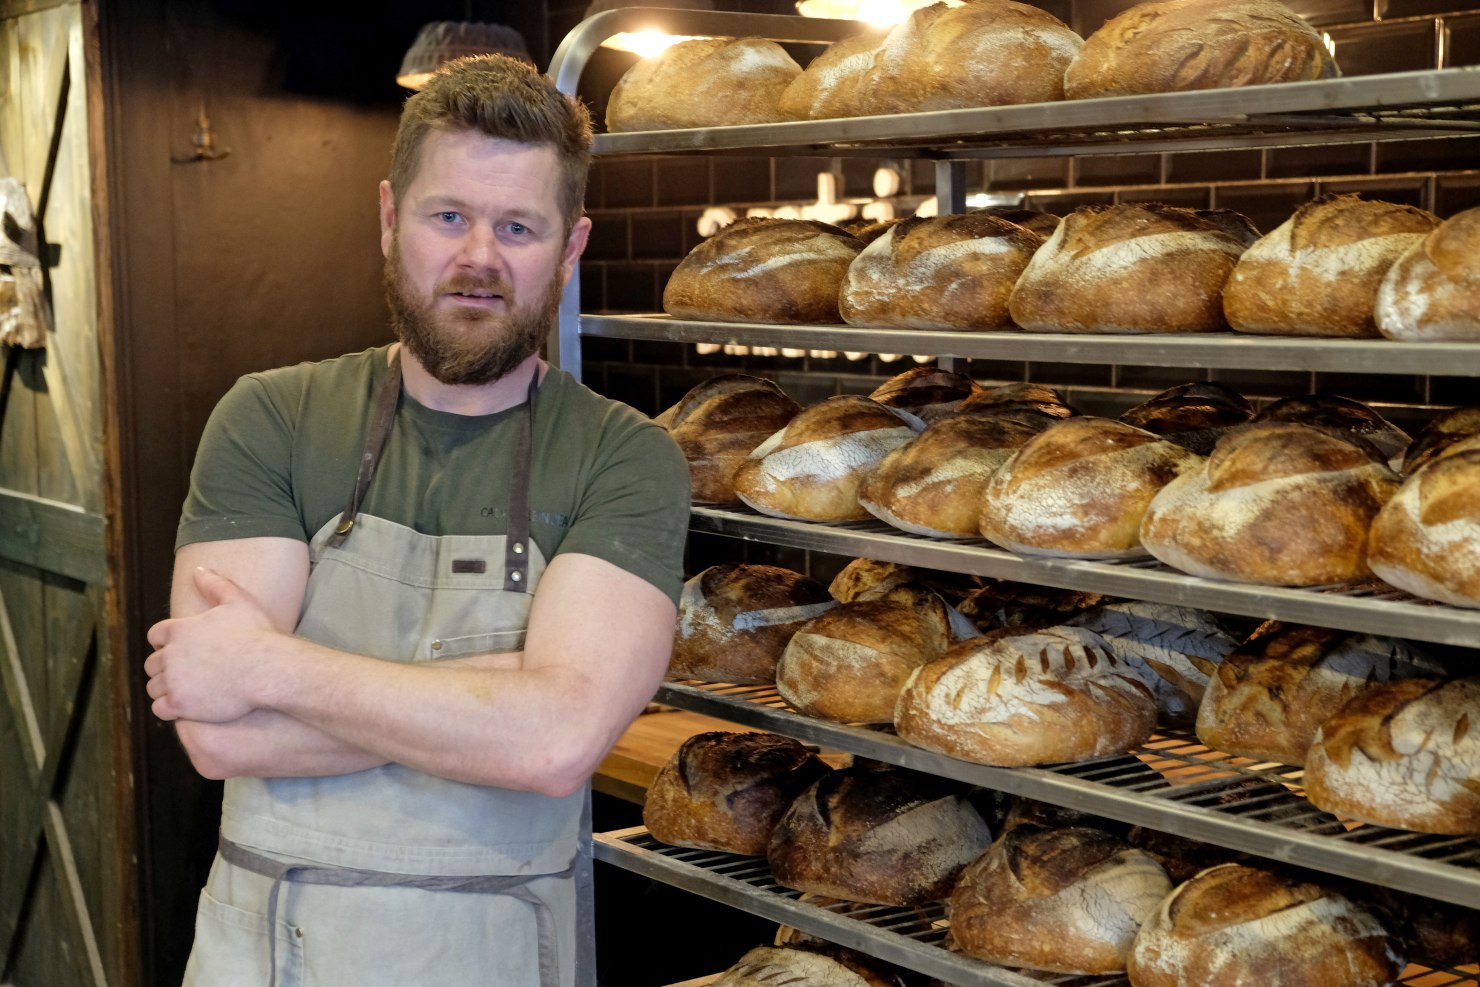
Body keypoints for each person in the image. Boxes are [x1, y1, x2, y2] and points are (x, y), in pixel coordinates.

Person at [144, 53, 691, 987]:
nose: (479, 257)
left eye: (518, 226)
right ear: (390, 218)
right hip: (268, 956)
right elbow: (221, 734)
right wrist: (509, 694)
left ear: (570, 247)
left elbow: (556, 744)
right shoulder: (272, 416)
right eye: (448, 217)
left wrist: (271, 666)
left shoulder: (625, 454)